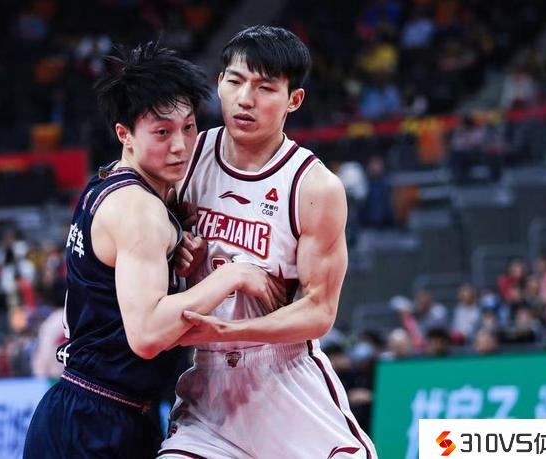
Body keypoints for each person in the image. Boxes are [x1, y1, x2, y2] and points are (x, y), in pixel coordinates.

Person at [23, 42, 279, 459]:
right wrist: (231, 276)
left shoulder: (109, 182)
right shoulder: (139, 209)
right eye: (162, 132)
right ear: (124, 134)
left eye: (188, 127)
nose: (180, 145)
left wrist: (176, 258)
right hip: (99, 421)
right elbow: (146, 335)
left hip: (90, 408)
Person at [159, 26, 378, 459]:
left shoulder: (314, 187)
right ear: (219, 83)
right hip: (209, 388)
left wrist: (231, 331)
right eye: (236, 81)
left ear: (294, 100)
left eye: (265, 88)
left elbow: (319, 311)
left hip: (285, 378)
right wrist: (171, 246)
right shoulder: (185, 159)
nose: (245, 99)